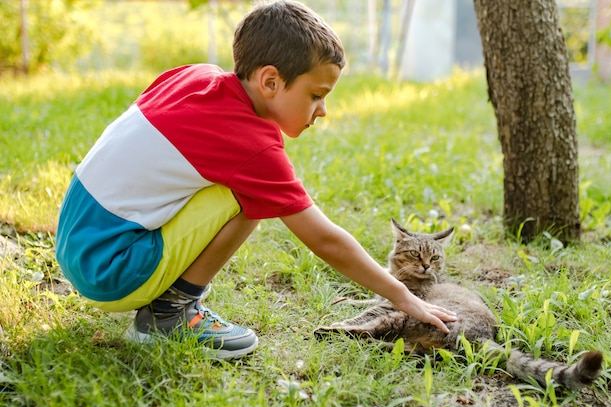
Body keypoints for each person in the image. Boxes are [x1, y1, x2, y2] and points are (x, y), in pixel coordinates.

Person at [55, 0, 456, 360]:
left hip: (78, 241)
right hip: (112, 272)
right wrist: (404, 298)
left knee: (243, 186)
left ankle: (165, 303)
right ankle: (169, 313)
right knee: (248, 195)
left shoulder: (194, 77)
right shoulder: (252, 148)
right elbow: (325, 239)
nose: (323, 110)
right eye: (316, 95)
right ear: (270, 82)